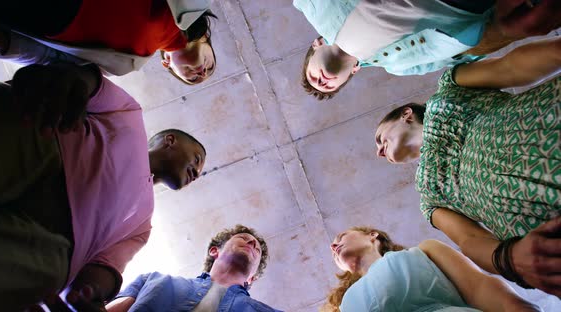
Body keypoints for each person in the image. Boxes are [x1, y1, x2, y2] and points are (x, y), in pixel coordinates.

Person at [0, 62, 207, 311]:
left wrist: (92, 294)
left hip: (42, 253)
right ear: (171, 141)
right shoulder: (130, 115)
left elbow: (105, 267)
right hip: (37, 147)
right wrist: (70, 77)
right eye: (197, 160)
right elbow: (88, 83)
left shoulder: (143, 226)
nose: (197, 173)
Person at [374, 37, 561, 295]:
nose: (379, 152)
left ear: (406, 114)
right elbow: (469, 239)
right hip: (548, 224)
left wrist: (556, 51)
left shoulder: (448, 89)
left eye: (379, 138)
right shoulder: (429, 198)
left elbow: (509, 67)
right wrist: (509, 259)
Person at [294, 0, 526, 100]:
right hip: (458, 6)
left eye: (313, 77)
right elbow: (460, 56)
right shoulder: (398, 66)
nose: (322, 82)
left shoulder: (314, 8)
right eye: (328, 85)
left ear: (317, 45)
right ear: (353, 72)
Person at [0, 0, 217, 83]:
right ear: (206, 38)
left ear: (167, 64)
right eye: (210, 66)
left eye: (194, 78)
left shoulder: (124, 65)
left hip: (49, 18)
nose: (201, 72)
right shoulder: (194, 3)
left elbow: (49, 58)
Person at [323, 226, 541, 311]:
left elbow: (480, 288)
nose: (334, 246)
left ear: (373, 235)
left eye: (341, 237)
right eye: (333, 248)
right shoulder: (346, 304)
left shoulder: (423, 250)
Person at [100, 225, 282, 312]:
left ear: (252, 279)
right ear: (214, 251)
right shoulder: (152, 280)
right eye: (244, 237)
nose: (251, 242)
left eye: (256, 248)